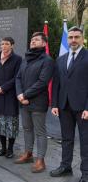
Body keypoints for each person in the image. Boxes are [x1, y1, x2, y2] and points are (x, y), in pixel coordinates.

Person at [50, 26, 88, 182]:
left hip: (83, 108)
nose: (73, 40)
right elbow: (57, 83)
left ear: (82, 38)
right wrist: (55, 104)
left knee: (86, 141)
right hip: (64, 106)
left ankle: (86, 173)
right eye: (70, 37)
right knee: (66, 138)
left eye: (76, 37)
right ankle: (65, 166)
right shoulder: (60, 59)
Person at [15, 32, 54, 173]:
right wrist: (19, 95)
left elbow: (42, 82)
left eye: (36, 40)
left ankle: (40, 160)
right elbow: (18, 78)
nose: (33, 41)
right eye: (32, 39)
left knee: (40, 131)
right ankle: (28, 154)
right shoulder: (26, 59)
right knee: (26, 128)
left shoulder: (47, 60)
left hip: (37, 102)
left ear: (44, 43)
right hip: (23, 101)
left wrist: (25, 95)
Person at [0, 37, 22, 158]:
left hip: (10, 96)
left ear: (12, 45)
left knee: (11, 124)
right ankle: (3, 148)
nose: (4, 46)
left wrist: (4, 87)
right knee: (0, 124)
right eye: (2, 43)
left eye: (6, 44)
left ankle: (10, 149)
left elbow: (17, 77)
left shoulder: (17, 59)